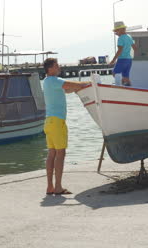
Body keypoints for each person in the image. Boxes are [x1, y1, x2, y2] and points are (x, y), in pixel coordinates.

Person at [42, 58, 89, 195]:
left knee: (51, 154)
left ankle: (50, 186)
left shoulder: (47, 82)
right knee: (60, 154)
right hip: (57, 122)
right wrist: (89, 83)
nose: (59, 67)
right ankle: (58, 187)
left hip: (49, 121)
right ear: (50, 68)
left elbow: (67, 89)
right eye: (57, 66)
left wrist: (75, 89)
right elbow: (71, 84)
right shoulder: (54, 80)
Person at [109, 21, 137, 86]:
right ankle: (128, 88)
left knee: (115, 73)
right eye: (115, 31)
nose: (116, 33)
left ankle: (120, 87)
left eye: (116, 31)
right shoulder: (129, 37)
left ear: (121, 30)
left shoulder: (120, 38)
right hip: (129, 60)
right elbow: (135, 48)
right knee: (126, 76)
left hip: (122, 59)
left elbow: (119, 50)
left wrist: (113, 60)